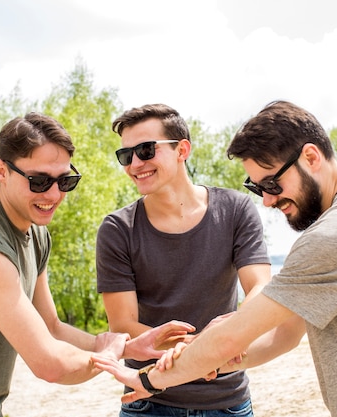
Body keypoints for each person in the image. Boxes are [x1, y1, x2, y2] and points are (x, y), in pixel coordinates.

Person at [93, 101, 337, 416]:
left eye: (272, 184)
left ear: (311, 157)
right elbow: (284, 335)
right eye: (257, 188)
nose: (268, 200)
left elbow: (237, 330)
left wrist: (148, 380)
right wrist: (213, 361)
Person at [0, 112, 195, 417]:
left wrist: (126, 347)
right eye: (39, 181)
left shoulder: (36, 234)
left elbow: (51, 327)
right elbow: (49, 364)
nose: (54, 194)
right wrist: (108, 356)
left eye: (65, 181)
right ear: (1, 171)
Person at [95, 103, 305, 417]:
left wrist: (208, 348)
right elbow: (124, 324)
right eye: (126, 155)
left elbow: (259, 288)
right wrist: (201, 349)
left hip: (227, 400)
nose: (135, 164)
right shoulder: (117, 229)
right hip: (151, 402)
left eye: (146, 150)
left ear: (183, 150)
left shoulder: (236, 210)